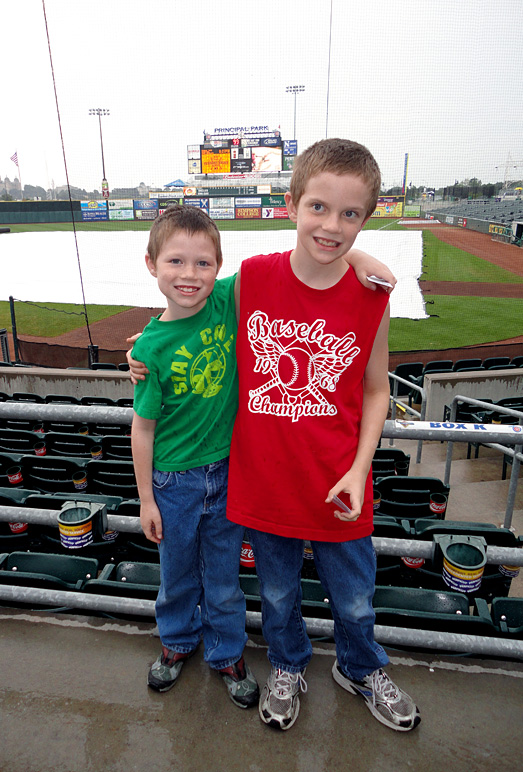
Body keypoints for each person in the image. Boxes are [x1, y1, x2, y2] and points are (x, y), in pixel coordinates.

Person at [226, 138, 420, 732]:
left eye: (349, 213)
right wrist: (147, 350)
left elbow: (375, 389)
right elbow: (191, 316)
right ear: (290, 204)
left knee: (356, 597)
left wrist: (361, 468)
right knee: (278, 597)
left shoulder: (370, 296)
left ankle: (360, 667)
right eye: (318, 207)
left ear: (368, 215)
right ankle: (288, 665)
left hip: (340, 480)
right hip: (266, 480)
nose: (331, 225)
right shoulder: (252, 278)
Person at [130, 205, 259, 708]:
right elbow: (143, 429)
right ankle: (178, 642)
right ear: (152, 264)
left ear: (220, 268)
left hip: (228, 474)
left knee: (224, 577)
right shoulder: (150, 349)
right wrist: (146, 499)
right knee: (177, 573)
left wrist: (355, 254)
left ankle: (227, 652)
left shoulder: (227, 300)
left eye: (204, 264)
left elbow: (297, 258)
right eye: (176, 262)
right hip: (173, 483)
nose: (190, 275)